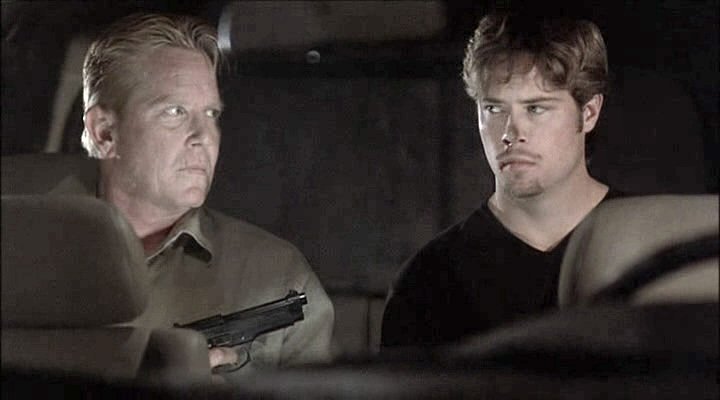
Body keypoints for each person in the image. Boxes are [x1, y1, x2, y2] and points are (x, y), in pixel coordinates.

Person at [61, 12, 334, 376]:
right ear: (104, 132)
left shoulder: (278, 275)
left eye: (210, 114)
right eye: (175, 112)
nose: (204, 137)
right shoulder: (26, 258)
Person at [381, 12, 624, 348]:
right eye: (494, 109)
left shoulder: (653, 248)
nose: (511, 132)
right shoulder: (429, 280)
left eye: (536, 108)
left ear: (589, 112)